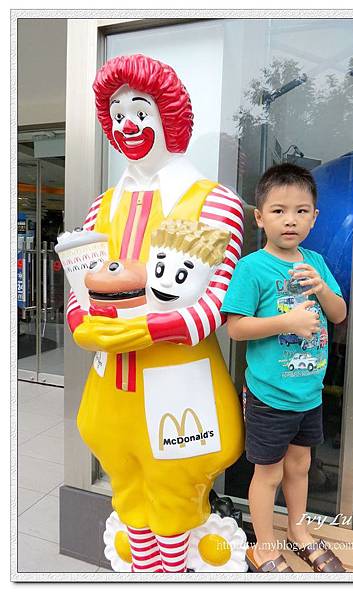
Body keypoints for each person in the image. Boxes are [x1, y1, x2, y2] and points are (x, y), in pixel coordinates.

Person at [66, 54, 244, 573]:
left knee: (175, 508)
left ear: (169, 117)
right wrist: (81, 323)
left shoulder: (214, 203)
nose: (128, 126)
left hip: (178, 393)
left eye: (140, 111)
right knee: (130, 503)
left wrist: (149, 327)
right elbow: (81, 289)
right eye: (117, 116)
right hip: (110, 398)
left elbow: (214, 306)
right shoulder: (100, 208)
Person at [221, 163, 347, 573]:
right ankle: (265, 546)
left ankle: (299, 531)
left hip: (308, 392)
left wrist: (322, 287)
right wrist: (287, 322)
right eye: (278, 210)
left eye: (300, 210)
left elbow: (339, 313)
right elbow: (236, 328)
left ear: (314, 217)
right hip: (270, 395)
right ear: (259, 217)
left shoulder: (316, 262)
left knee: (301, 466)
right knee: (268, 473)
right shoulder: (251, 268)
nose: (289, 220)